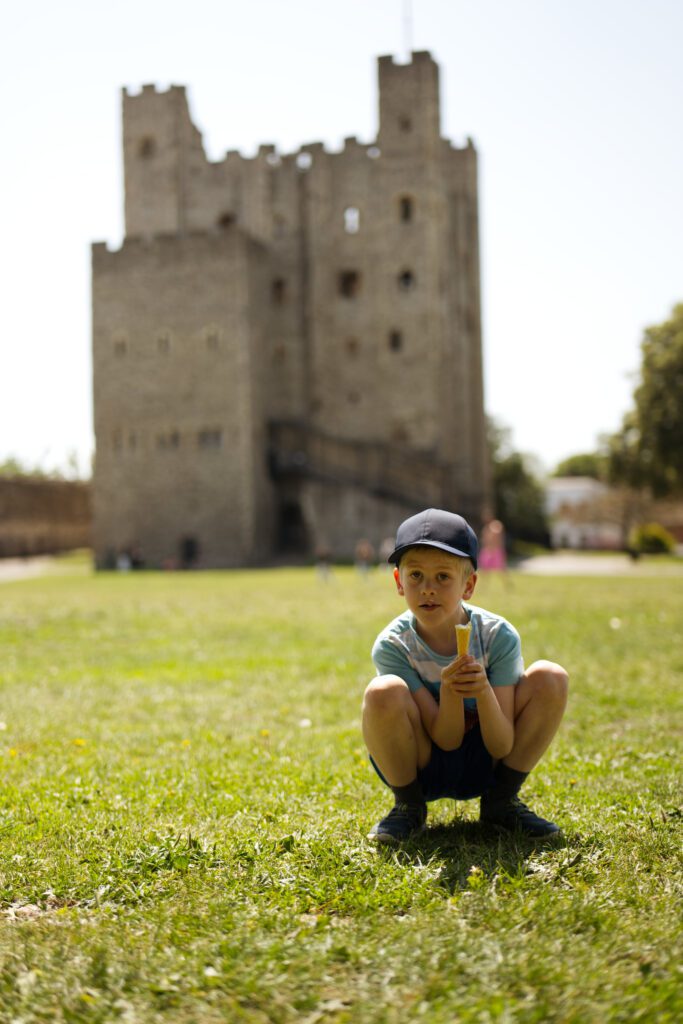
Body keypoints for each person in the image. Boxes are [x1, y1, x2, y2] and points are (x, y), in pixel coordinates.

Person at [362, 508, 568, 844]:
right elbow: (446, 740)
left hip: (489, 760)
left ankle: (502, 802)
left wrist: (483, 690)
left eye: (443, 577)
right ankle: (408, 807)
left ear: (468, 585)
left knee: (551, 676)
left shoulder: (496, 636)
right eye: (415, 576)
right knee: (382, 692)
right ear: (399, 582)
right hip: (424, 761)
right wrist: (451, 690)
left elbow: (502, 743)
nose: (428, 589)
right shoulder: (393, 645)